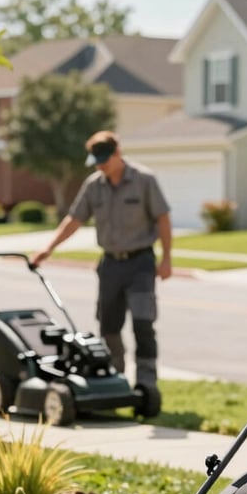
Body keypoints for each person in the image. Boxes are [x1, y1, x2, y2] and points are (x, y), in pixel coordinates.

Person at [31, 130, 172, 394]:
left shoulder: (144, 180)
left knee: (143, 324)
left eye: (104, 159)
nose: (100, 165)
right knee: (108, 327)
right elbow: (73, 220)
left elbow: (163, 218)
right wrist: (47, 249)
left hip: (140, 262)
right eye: (96, 160)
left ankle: (146, 382)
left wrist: (167, 259)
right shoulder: (94, 185)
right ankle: (115, 378)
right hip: (110, 265)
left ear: (118, 153)